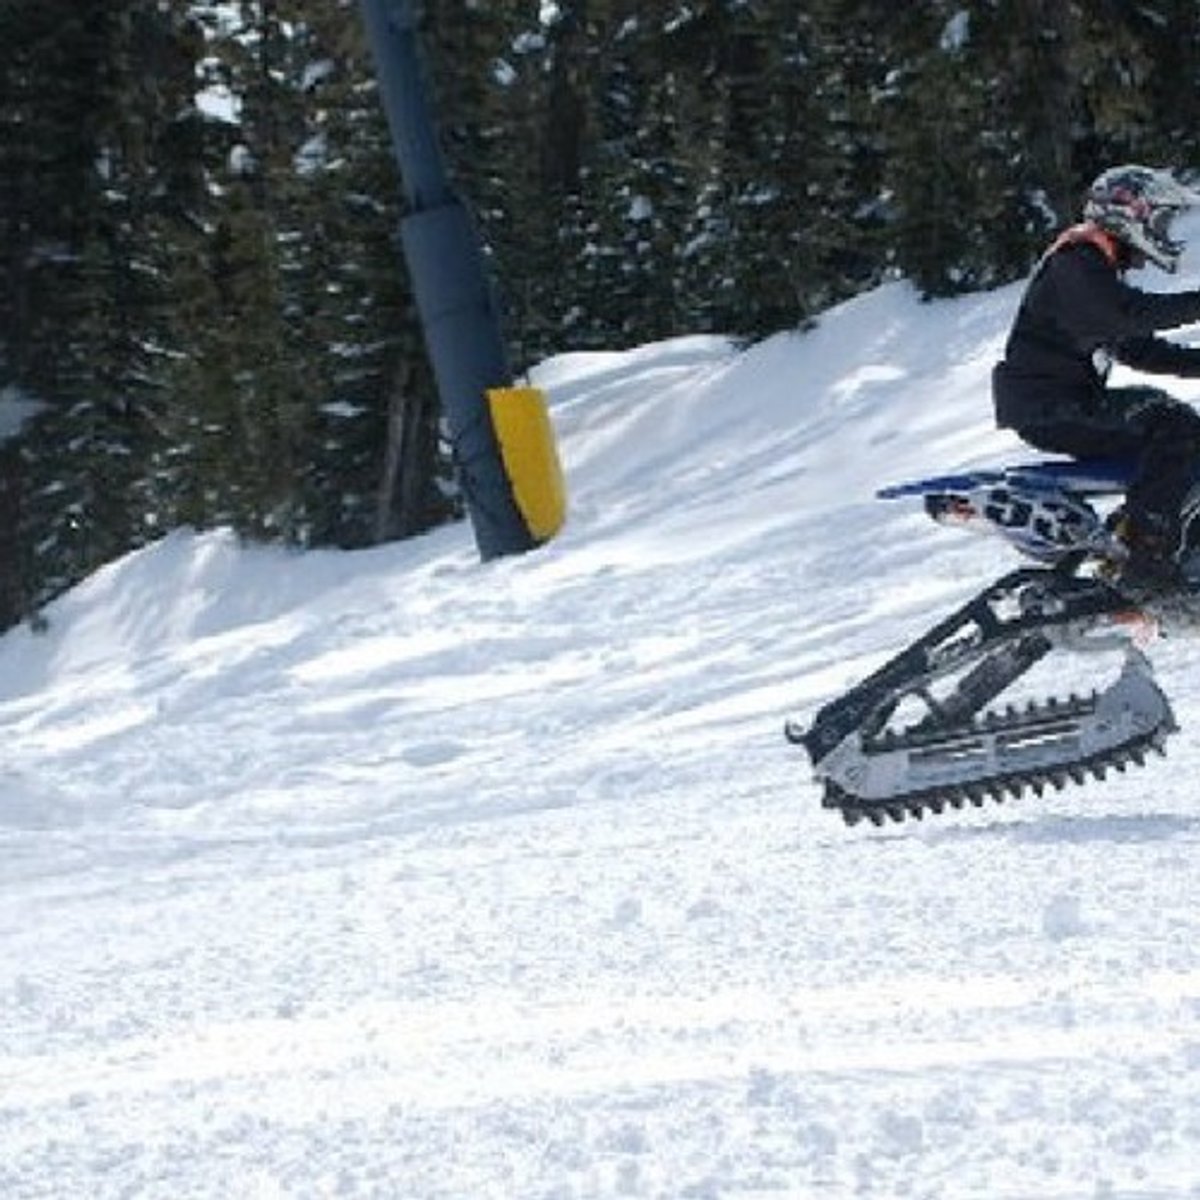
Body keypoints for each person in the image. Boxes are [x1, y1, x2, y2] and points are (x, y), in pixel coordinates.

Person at [992, 164, 1200, 587]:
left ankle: (1142, 540)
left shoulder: (1093, 270)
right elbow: (1130, 314)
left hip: (1058, 404)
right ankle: (1148, 552)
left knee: (1172, 433)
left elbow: (1137, 346)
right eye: (1158, 219)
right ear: (1129, 213)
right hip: (1051, 407)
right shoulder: (1077, 259)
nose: (1163, 230)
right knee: (1172, 423)